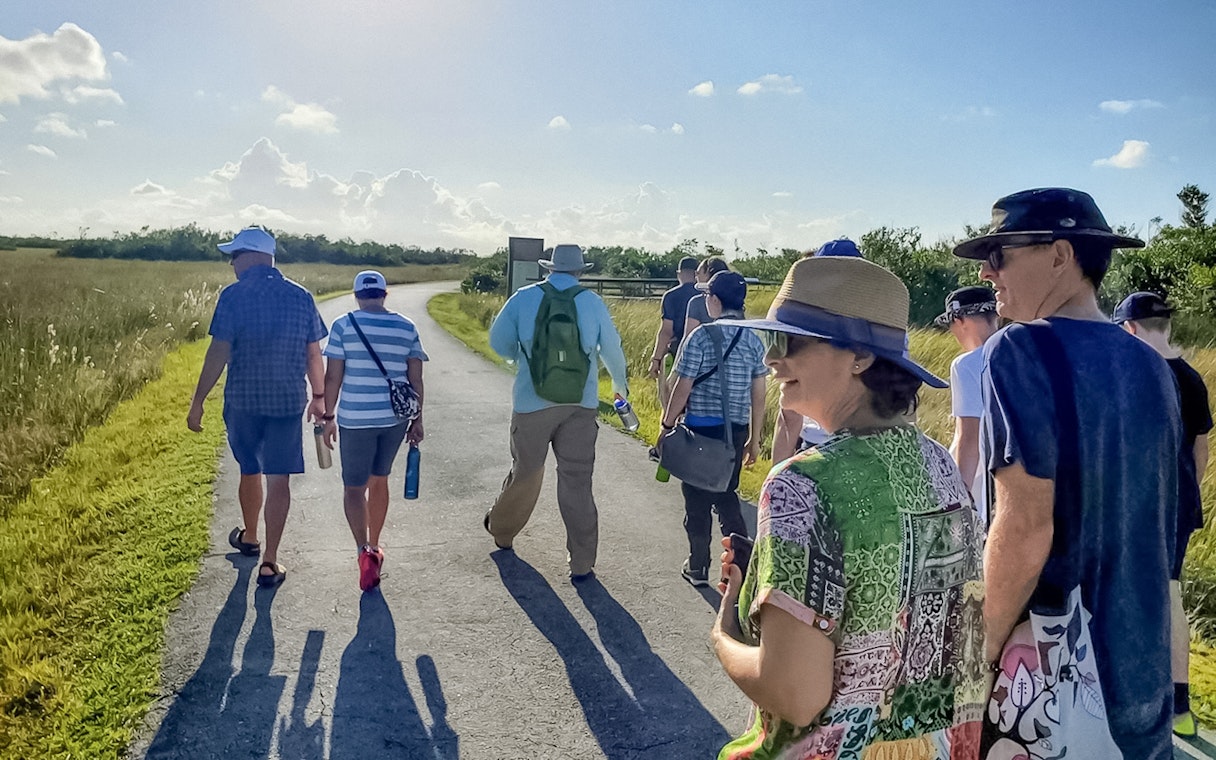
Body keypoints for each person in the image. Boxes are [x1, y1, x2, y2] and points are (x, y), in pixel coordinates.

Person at [710, 255, 983, 758]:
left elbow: (794, 695)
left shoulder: (802, 484)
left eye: (788, 341)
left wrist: (725, 633)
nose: (772, 359)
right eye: (771, 340)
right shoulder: (940, 467)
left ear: (859, 356)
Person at [953, 188, 1180, 758]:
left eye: (1001, 253)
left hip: (1054, 673)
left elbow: (1025, 526)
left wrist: (973, 658)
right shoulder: (1155, 368)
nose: (988, 271)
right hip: (1140, 664)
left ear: (1060, 255)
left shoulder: (1020, 350)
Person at [187, 226, 327, 587]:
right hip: (286, 401)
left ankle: (250, 536)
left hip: (243, 401)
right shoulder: (301, 297)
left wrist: (198, 401)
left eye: (234, 256)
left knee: (249, 468)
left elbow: (219, 351)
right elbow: (314, 354)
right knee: (278, 477)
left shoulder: (233, 296)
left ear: (251, 256)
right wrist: (320, 397)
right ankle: (269, 561)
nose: (231, 263)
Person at [485, 244, 629, 581]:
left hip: (531, 402)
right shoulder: (591, 302)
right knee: (577, 482)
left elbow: (497, 340)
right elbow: (612, 349)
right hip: (581, 403)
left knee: (526, 472)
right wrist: (619, 386)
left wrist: (519, 359)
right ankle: (581, 562)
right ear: (581, 271)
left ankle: (503, 532)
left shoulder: (523, 297)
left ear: (549, 268)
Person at [1113, 290, 1211, 738]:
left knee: (1128, 595)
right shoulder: (1192, 378)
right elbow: (1201, 450)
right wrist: (1187, 493)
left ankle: (1132, 700)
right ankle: (1180, 706)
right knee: (1170, 595)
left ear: (1130, 329)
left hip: (1136, 502)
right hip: (1180, 505)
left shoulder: (1134, 374)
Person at [321, 270, 427, 591]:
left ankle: (363, 551)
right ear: (385, 294)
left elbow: (332, 378)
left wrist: (328, 417)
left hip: (355, 418)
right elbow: (416, 380)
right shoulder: (407, 326)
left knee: (354, 488)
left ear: (356, 296)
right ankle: (376, 546)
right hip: (394, 420)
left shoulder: (343, 325)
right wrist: (418, 420)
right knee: (379, 480)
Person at [661, 271, 768, 587]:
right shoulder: (753, 339)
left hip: (700, 432)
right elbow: (758, 393)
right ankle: (741, 567)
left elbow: (683, 387)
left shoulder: (701, 336)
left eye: (708, 296)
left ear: (715, 301)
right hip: (733, 433)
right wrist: (754, 437)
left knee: (695, 499)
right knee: (726, 495)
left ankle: (698, 566)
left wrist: (667, 425)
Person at [771, 239, 862, 462]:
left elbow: (789, 419)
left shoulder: (805, 323)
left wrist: (775, 479)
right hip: (874, 452)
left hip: (818, 451)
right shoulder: (887, 328)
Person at [934, 285, 999, 517]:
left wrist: (960, 501)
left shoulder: (966, 365)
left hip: (984, 491)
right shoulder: (1024, 354)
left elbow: (969, 438)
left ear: (960, 320)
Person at [648, 255, 700, 415]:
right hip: (704, 357)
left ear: (679, 274)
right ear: (697, 273)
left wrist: (656, 359)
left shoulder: (671, 296)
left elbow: (666, 331)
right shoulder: (707, 296)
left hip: (677, 353)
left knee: (670, 404)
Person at [680, 256, 731, 351]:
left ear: (709, 275)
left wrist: (678, 362)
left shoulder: (697, 302)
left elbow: (688, 337)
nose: (696, 277)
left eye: (698, 273)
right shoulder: (733, 300)